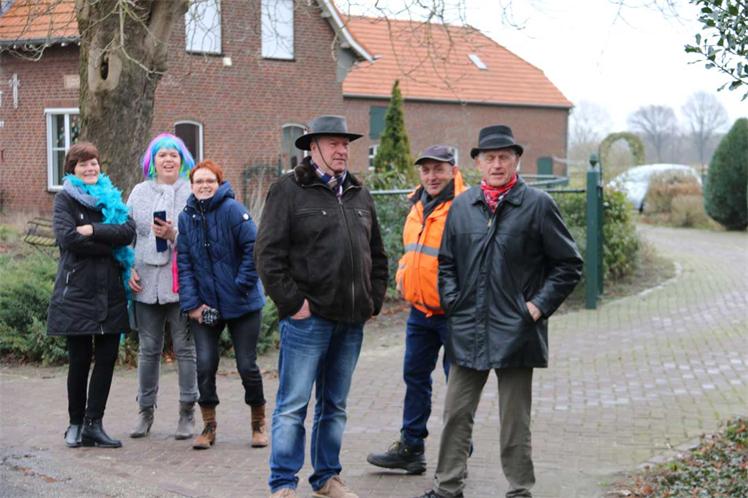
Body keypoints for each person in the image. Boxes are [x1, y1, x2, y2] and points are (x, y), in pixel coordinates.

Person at [415, 125, 583, 498]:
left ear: (516, 160)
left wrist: (536, 308)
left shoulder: (538, 205)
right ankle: (447, 488)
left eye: (504, 157)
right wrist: (453, 302)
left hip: (517, 329)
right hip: (468, 326)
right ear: (476, 163)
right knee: (456, 413)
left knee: (515, 421)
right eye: (489, 158)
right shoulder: (462, 206)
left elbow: (568, 264)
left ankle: (519, 490)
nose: (496, 164)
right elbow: (446, 263)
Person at [255, 115, 388, 498]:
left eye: (345, 144)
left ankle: (327, 477)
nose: (342, 150)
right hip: (307, 321)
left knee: (335, 406)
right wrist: (293, 303)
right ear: (313, 147)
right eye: (334, 143)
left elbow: (377, 255)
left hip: (351, 321)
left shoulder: (360, 194)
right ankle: (283, 483)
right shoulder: (288, 190)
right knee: (292, 405)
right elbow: (267, 255)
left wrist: (373, 300)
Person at [366, 145, 467, 474]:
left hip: (455, 314)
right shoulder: (417, 204)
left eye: (438, 169)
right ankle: (411, 447)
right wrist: (403, 274)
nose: (431, 176)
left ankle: (459, 448)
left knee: (459, 384)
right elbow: (412, 250)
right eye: (426, 170)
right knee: (415, 378)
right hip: (420, 313)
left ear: (453, 170)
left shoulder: (466, 206)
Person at [47, 141, 136, 449]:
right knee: (80, 360)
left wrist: (94, 231)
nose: (90, 168)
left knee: (107, 358)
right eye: (83, 163)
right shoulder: (65, 199)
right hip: (77, 291)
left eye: (94, 163)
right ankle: (75, 423)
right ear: (72, 169)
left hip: (110, 291)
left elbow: (128, 232)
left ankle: (93, 424)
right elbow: (69, 239)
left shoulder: (111, 197)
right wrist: (109, 243)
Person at [176, 160, 268, 450]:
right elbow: (184, 264)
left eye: (210, 181)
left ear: (218, 184)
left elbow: (254, 249)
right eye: (199, 181)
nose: (204, 186)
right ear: (191, 186)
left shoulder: (233, 210)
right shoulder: (185, 217)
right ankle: (209, 426)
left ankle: (258, 422)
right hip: (205, 307)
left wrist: (240, 285)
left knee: (246, 365)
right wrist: (192, 305)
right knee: (204, 364)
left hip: (243, 303)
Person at [126, 133, 198, 440]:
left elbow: (201, 238)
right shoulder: (139, 192)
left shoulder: (192, 191)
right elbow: (126, 235)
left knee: (185, 350)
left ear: (182, 161)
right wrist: (127, 267)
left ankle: (187, 412)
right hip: (145, 283)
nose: (168, 160)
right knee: (148, 350)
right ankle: (145, 412)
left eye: (174, 155)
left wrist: (173, 235)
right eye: (162, 155)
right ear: (152, 161)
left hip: (180, 284)